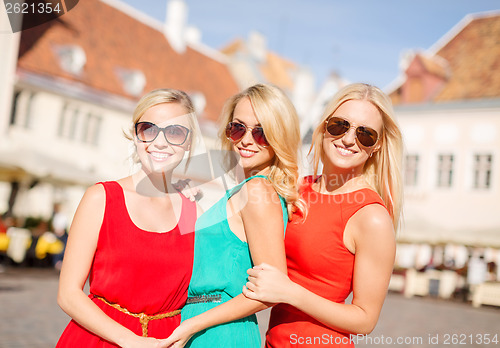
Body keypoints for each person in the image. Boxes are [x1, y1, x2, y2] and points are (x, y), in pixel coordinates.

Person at [243, 83, 403, 347]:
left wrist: (291, 293)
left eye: (366, 135)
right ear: (323, 125)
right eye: (340, 125)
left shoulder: (371, 216)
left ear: (377, 146)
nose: (349, 139)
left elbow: (365, 319)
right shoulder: (296, 188)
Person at [163, 84, 304, 348]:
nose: (247, 140)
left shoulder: (258, 190)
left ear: (279, 136)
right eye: (238, 127)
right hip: (204, 325)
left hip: (217, 333)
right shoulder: (245, 189)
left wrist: (192, 325)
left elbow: (270, 291)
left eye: (261, 132)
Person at [56, 88, 200, 347]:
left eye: (175, 132)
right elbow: (68, 294)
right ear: (135, 135)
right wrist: (131, 341)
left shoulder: (193, 210)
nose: (160, 142)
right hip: (99, 340)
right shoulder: (101, 198)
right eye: (149, 128)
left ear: (188, 143)